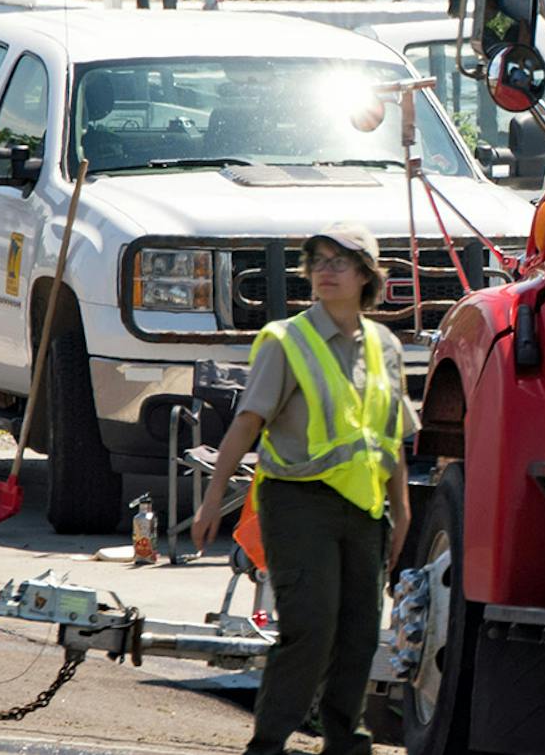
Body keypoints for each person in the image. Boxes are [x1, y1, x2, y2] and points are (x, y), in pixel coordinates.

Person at [193, 223, 416, 755]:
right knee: (311, 628)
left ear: (367, 275)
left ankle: (345, 740)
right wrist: (210, 499)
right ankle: (269, 742)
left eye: (340, 261)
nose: (325, 270)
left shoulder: (385, 346)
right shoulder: (286, 340)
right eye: (318, 261)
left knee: (360, 632)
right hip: (297, 503)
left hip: (363, 508)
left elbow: (391, 434)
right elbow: (246, 424)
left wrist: (402, 507)